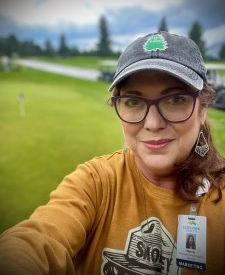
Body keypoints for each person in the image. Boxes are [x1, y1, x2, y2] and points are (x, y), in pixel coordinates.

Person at [0, 31, 225, 275]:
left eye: (175, 99)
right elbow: (37, 240)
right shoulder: (96, 181)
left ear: (203, 109)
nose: (152, 123)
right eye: (133, 101)